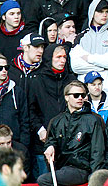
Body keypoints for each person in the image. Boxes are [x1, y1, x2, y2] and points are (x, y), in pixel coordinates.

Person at [38, 80, 105, 186]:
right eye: (76, 95)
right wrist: (50, 146)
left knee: (43, 180)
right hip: (62, 168)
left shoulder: (93, 120)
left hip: (82, 168)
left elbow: (98, 151)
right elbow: (51, 141)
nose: (80, 98)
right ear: (66, 97)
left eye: (82, 95)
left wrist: (94, 177)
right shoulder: (56, 121)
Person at [29, 44, 77, 174]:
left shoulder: (71, 80)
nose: (62, 60)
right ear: (50, 58)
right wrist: (40, 130)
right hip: (44, 141)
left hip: (69, 143)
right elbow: (31, 110)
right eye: (58, 57)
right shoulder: (37, 80)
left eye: (64, 57)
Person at [70, 0, 108, 98]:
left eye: (107, 12)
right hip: (85, 93)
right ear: (92, 12)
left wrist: (89, 58)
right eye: (100, 11)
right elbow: (75, 66)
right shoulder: (80, 37)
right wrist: (104, 66)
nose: (104, 15)